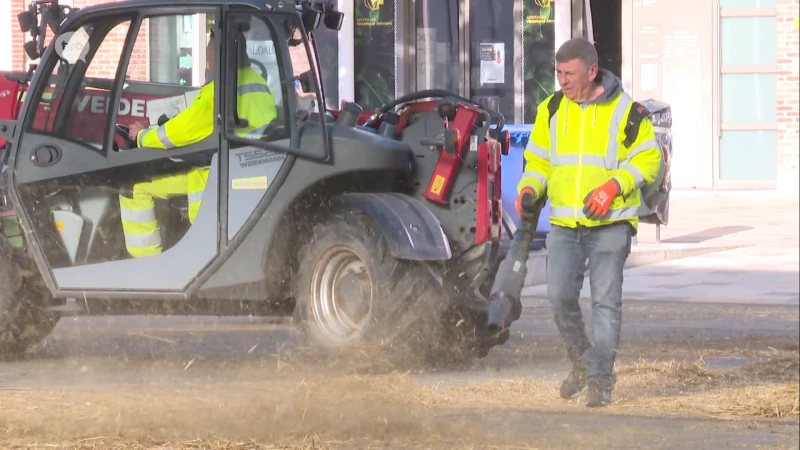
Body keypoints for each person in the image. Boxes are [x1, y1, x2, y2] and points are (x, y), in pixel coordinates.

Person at [517, 37, 662, 407]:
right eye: (559, 73)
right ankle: (582, 362)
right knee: (559, 297)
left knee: (605, 305)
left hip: (611, 224)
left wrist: (613, 186)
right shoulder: (551, 110)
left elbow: (649, 160)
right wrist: (529, 187)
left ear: (592, 71)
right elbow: (538, 162)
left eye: (570, 74)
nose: (562, 81)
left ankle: (600, 380)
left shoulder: (628, 112)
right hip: (565, 225)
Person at [119, 29, 277, 258]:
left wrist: (142, 136)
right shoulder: (258, 82)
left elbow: (179, 133)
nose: (208, 58)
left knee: (133, 187)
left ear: (221, 54)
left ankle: (147, 264)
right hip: (238, 166)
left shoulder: (220, 90)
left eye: (210, 51)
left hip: (211, 173)